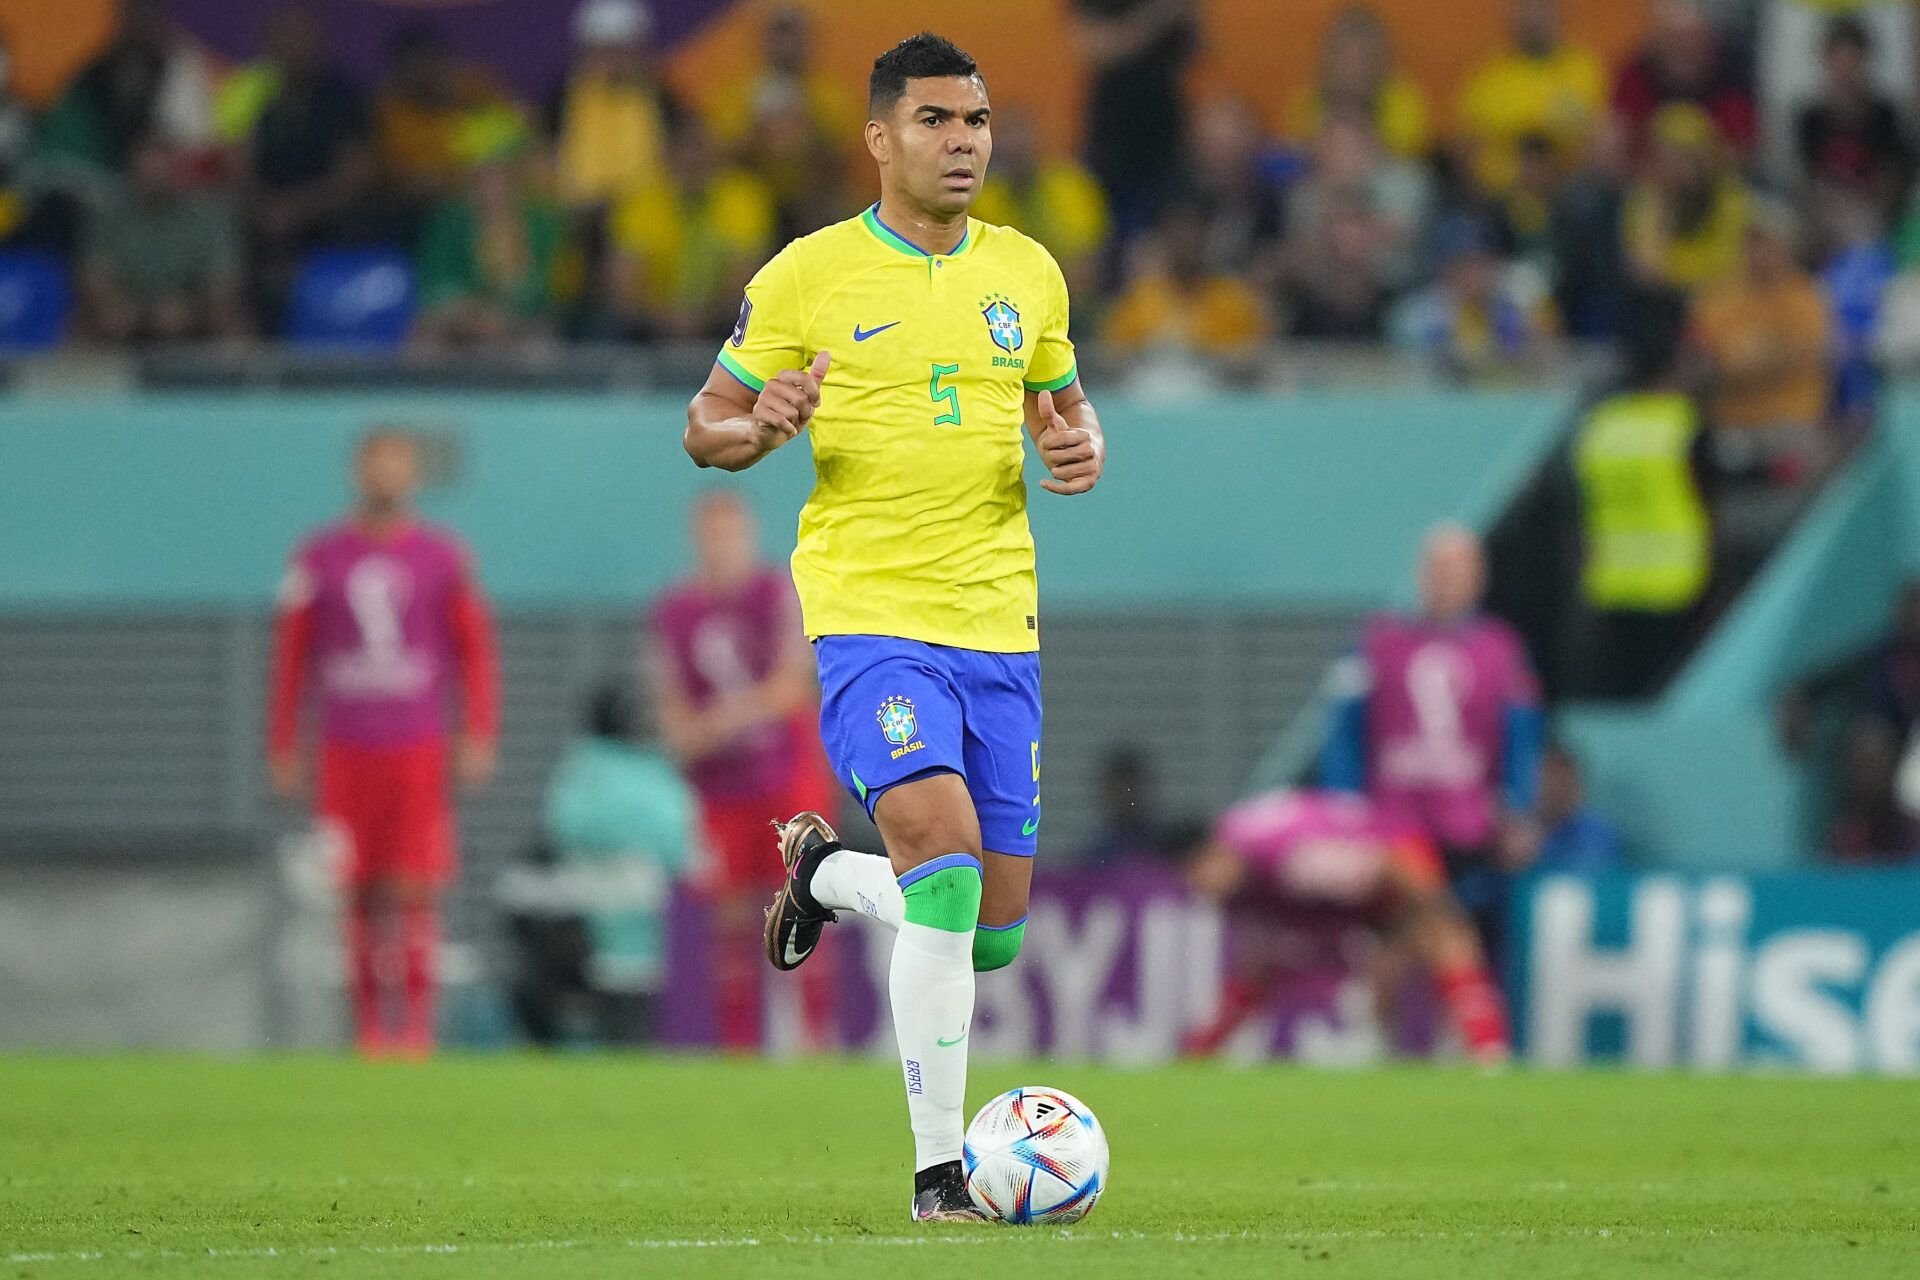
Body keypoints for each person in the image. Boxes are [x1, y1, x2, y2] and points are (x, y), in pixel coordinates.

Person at [681, 34, 1104, 1222]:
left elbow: (1062, 407)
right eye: (934, 121)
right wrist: (758, 423)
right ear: (879, 138)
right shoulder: (810, 274)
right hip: (871, 616)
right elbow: (703, 426)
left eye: (974, 121)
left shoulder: (1028, 272)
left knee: (990, 934)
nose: (962, 141)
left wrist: (1081, 441)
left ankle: (825, 872)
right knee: (949, 860)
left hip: (999, 623)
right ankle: (938, 1178)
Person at [266, 430, 500, 1057]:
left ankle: (416, 1030)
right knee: (357, 891)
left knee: (414, 886)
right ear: (357, 473)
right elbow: (292, 656)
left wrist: (477, 730)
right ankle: (371, 1032)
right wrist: (283, 742)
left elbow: (474, 651)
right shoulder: (318, 558)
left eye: (397, 465)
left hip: (417, 746)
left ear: (414, 476)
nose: (386, 476)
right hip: (345, 749)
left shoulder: (444, 558)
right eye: (375, 464)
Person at [647, 492, 835, 1053]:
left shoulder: (776, 594)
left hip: (787, 780)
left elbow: (792, 685)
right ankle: (739, 1048)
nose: (722, 547)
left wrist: (726, 718)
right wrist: (694, 732)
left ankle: (813, 1041)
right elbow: (672, 710)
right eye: (711, 535)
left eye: (731, 535)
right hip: (720, 792)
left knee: (804, 906)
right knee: (731, 921)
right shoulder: (675, 612)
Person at [1320, 524, 1545, 962]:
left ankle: (1457, 1029)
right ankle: (1375, 1027)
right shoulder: (1375, 642)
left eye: (1458, 569)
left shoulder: (1502, 649)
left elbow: (1521, 736)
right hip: (1392, 820)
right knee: (1386, 938)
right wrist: (1342, 805)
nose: (1447, 579)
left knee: (1460, 932)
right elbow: (1342, 730)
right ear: (1421, 573)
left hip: (1467, 822)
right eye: (1438, 568)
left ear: (1479, 576)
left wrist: (1518, 810)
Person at [1181, 789, 1510, 1064]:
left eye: (1201, 875)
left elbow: (1394, 861)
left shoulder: (1270, 843)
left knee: (1445, 941)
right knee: (1258, 965)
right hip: (1350, 905)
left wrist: (1433, 911)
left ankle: (1489, 1053)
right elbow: (1266, 948)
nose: (1205, 888)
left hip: (1396, 863)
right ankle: (1197, 1054)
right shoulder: (1238, 887)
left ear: (1209, 854)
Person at [504, 682, 700, 1047]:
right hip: (590, 918)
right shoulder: (629, 768)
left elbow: (562, 825)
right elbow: (678, 840)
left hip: (630, 916)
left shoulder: (589, 768)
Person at [1572, 304, 1714, 699]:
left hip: (1611, 579)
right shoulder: (1682, 421)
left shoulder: (1602, 423)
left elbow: (1582, 505)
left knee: (1615, 697)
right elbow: (1707, 496)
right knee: (1666, 699)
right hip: (1675, 581)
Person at [79, 132, 248, 342]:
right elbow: (95, 278)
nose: (157, 172)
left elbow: (224, 284)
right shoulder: (110, 216)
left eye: (165, 160)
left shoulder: (208, 217)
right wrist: (127, 307)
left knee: (229, 321)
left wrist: (192, 310)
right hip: (126, 314)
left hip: (194, 314)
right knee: (96, 320)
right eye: (150, 161)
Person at [413, 118, 564, 350]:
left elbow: (550, 290)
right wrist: (471, 314)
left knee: (541, 347)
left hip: (522, 326)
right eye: (482, 174)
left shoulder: (543, 224)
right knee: (425, 341)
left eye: (501, 172)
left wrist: (507, 316)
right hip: (460, 326)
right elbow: (436, 284)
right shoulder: (451, 221)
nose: (492, 183)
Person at [1072, 0, 1199, 236]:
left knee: (1163, 229)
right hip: (1112, 130)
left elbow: (1197, 44)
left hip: (1164, 125)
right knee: (1105, 231)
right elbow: (1095, 48)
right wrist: (1157, 14)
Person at [1456, 0, 1607, 196]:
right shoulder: (1487, 79)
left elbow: (1602, 140)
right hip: (1501, 197)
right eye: (1526, 6)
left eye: (1542, 7)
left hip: (1569, 192)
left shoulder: (1584, 70)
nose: (1534, 16)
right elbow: (1464, 149)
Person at [1795, 17, 1914, 228]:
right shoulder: (1810, 119)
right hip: (1826, 221)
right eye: (1839, 63)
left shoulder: (1885, 116)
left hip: (1878, 219)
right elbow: (1808, 181)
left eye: (1852, 63)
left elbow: (1895, 175)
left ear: (1864, 62)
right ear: (1826, 62)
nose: (1846, 73)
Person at [1613, 0, 1758, 162]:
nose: (1683, 49)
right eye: (1674, 40)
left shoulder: (1733, 73)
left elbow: (1740, 147)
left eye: (1691, 38)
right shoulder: (1639, 70)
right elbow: (1619, 136)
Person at [1286, 5, 1430, 161]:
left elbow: (1408, 153)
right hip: (1324, 173)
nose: (1353, 64)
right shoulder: (1312, 98)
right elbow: (1296, 145)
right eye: (1345, 54)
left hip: (1382, 172)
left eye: (1362, 56)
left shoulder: (1401, 97)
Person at [1533, 742, 1624, 875]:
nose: (1557, 792)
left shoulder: (1598, 835)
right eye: (1550, 784)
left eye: (1564, 783)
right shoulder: (1519, 837)